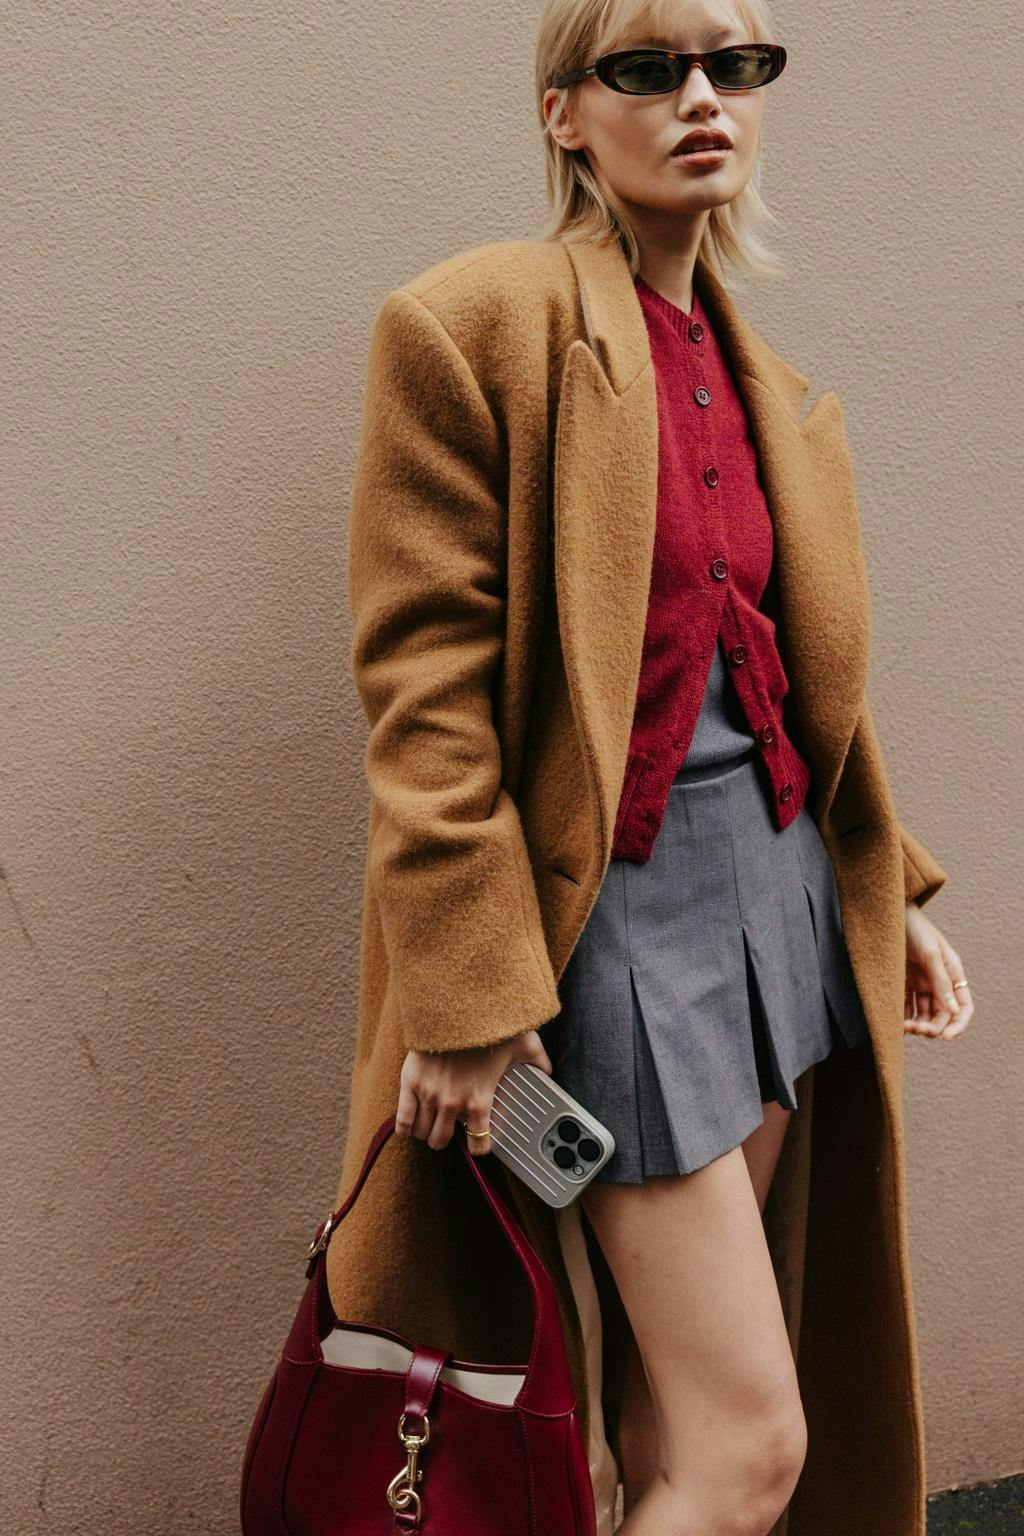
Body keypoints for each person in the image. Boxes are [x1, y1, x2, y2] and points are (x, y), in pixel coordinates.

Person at [333, 1, 974, 1533]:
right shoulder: (474, 326)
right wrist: (474, 996)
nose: (702, 97)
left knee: (667, 1426)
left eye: (736, 65)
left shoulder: (772, 388)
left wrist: (892, 894)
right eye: (649, 67)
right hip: (605, 932)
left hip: (772, 911)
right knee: (749, 1447)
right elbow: (423, 693)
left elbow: (784, 677)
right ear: (566, 112)